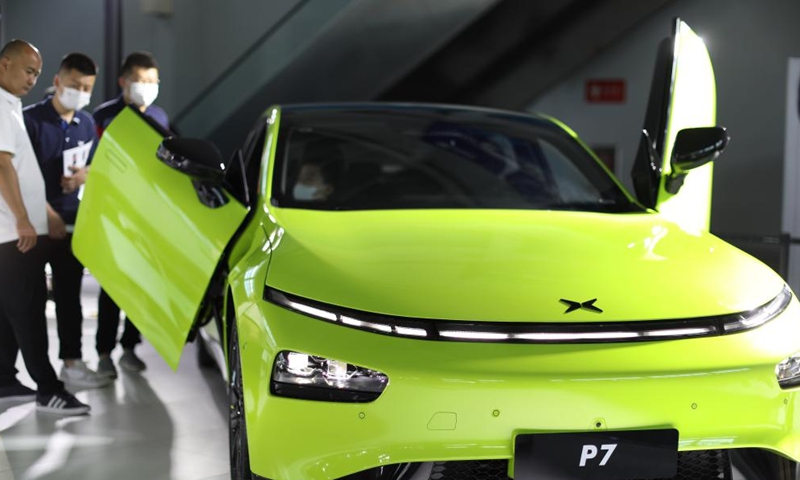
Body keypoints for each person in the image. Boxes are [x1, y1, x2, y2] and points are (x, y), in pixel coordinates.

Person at [0, 39, 90, 415]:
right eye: (27, 71)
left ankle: (4, 381)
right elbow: (2, 166)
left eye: (36, 73)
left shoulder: (10, 105)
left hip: (15, 230)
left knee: (10, 310)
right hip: (14, 231)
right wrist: (23, 219)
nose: (32, 80)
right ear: (4, 64)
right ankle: (48, 389)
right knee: (29, 311)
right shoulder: (2, 108)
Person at [23, 52, 110, 390]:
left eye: (87, 88)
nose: (81, 92)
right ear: (58, 82)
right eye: (75, 85)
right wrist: (48, 214)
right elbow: (19, 175)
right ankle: (30, 372)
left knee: (69, 295)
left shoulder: (86, 124)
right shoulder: (30, 120)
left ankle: (71, 362)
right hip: (33, 224)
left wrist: (84, 175)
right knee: (29, 301)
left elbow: (96, 165)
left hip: (73, 224)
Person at [92, 51, 168, 378]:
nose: (146, 87)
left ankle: (129, 347)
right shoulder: (104, 116)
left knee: (141, 284)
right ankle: (104, 353)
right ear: (123, 81)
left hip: (147, 216)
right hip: (112, 213)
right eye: (140, 80)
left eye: (152, 81)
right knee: (111, 285)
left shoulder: (160, 117)